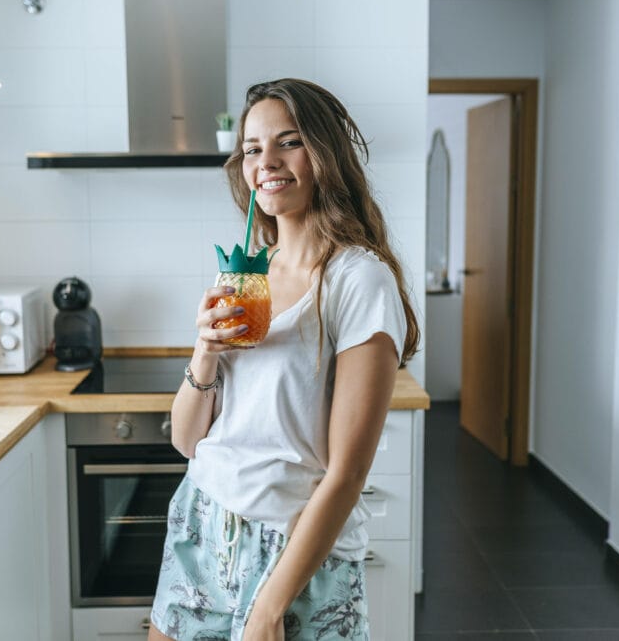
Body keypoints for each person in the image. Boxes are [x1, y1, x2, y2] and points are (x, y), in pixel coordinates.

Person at [148, 78, 421, 641]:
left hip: (294, 550)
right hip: (203, 519)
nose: (265, 162)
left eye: (288, 142)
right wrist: (203, 352)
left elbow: (348, 473)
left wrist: (271, 606)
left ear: (324, 154)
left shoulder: (357, 279)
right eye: (252, 149)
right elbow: (185, 439)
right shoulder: (245, 272)